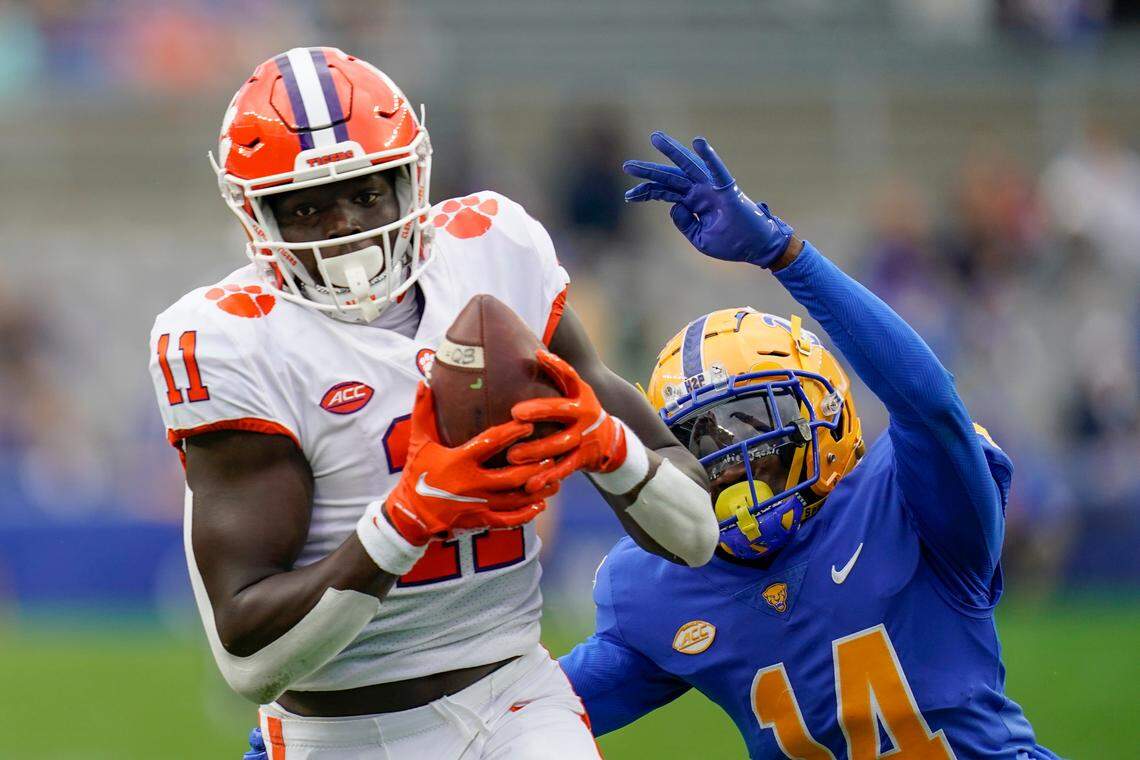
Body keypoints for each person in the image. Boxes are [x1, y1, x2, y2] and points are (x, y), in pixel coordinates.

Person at [148, 50, 717, 760]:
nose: (344, 226)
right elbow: (252, 664)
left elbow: (698, 538)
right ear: (256, 216)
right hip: (334, 734)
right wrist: (409, 517)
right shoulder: (236, 340)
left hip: (511, 698)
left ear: (411, 178)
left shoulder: (494, 253)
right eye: (305, 207)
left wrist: (609, 445)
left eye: (365, 192)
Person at [558, 131, 1059, 759]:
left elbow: (930, 402)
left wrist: (782, 250)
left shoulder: (905, 502)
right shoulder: (662, 588)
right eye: (700, 437)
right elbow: (537, 712)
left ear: (824, 419)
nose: (730, 457)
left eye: (750, 424)